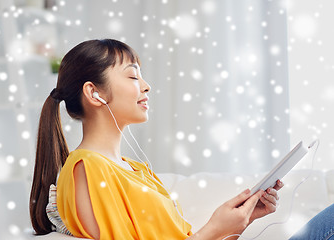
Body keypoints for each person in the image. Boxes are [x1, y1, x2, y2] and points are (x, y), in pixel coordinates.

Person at [29, 39, 331, 240]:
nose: (146, 86)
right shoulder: (87, 169)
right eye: (133, 76)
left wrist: (240, 221)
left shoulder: (136, 170)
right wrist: (214, 229)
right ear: (94, 93)